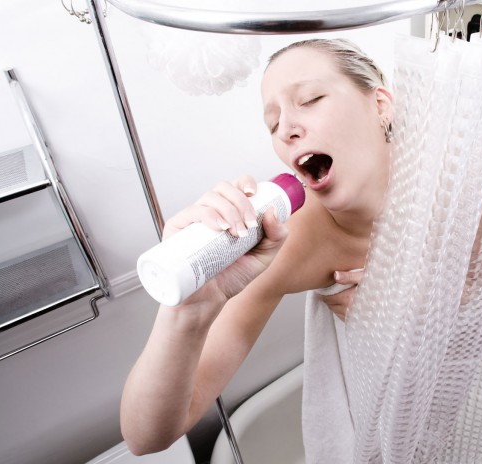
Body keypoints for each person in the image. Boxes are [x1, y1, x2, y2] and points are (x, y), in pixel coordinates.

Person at [120, 38, 394, 455]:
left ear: (380, 105)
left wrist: (414, 302)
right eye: (272, 123)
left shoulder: (464, 176)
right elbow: (146, 437)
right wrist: (188, 313)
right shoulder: (288, 241)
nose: (286, 129)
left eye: (311, 99)